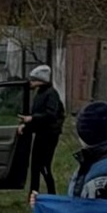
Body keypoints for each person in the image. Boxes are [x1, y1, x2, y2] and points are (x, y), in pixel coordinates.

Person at [19, 64, 65, 196]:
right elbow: (38, 117)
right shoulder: (40, 94)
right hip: (40, 134)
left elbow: (50, 115)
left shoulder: (51, 94)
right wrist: (27, 125)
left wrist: (32, 119)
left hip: (49, 135)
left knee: (44, 165)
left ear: (40, 81)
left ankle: (52, 194)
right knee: (35, 166)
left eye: (33, 80)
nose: (31, 82)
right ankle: (34, 194)